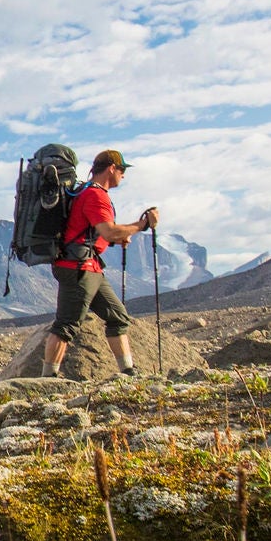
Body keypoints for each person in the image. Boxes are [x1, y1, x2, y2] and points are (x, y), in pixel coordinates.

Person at [43, 148, 157, 378]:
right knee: (66, 325)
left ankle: (127, 372)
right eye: (122, 170)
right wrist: (141, 225)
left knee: (117, 317)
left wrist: (115, 238)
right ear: (111, 168)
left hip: (87, 267)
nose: (123, 175)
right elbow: (109, 230)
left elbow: (92, 231)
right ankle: (47, 378)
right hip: (79, 268)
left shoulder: (84, 192)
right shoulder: (96, 195)